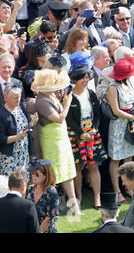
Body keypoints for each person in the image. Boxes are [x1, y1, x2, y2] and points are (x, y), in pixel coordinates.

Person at [32, 69, 82, 215]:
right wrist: (67, 103)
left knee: (67, 171)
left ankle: (74, 208)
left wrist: (63, 101)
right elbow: (59, 118)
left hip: (61, 138)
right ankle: (47, 209)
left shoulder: (50, 95)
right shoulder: (41, 100)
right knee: (52, 174)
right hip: (52, 140)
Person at [66, 64, 107, 208]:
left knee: (93, 165)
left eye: (87, 77)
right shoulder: (69, 95)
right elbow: (69, 118)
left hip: (92, 132)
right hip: (76, 133)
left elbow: (97, 114)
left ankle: (97, 197)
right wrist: (81, 133)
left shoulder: (91, 93)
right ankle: (78, 196)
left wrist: (93, 130)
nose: (86, 80)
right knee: (77, 166)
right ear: (75, 79)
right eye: (83, 78)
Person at [107, 56, 134, 204]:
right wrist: (132, 118)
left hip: (130, 125)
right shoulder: (112, 88)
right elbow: (115, 110)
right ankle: (117, 191)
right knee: (116, 159)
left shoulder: (129, 85)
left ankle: (128, 187)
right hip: (118, 126)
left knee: (128, 158)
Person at [0, 84, 37, 176]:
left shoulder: (20, 107)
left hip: (23, 153)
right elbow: (2, 139)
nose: (18, 100)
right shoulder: (2, 114)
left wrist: (32, 123)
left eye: (19, 97)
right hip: (10, 156)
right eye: (15, 98)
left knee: (23, 180)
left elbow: (25, 128)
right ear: (6, 97)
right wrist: (17, 137)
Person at [25, 158, 59, 233]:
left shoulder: (51, 192)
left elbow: (49, 218)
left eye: (37, 174)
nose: (33, 176)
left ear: (46, 175)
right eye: (32, 173)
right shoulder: (30, 189)